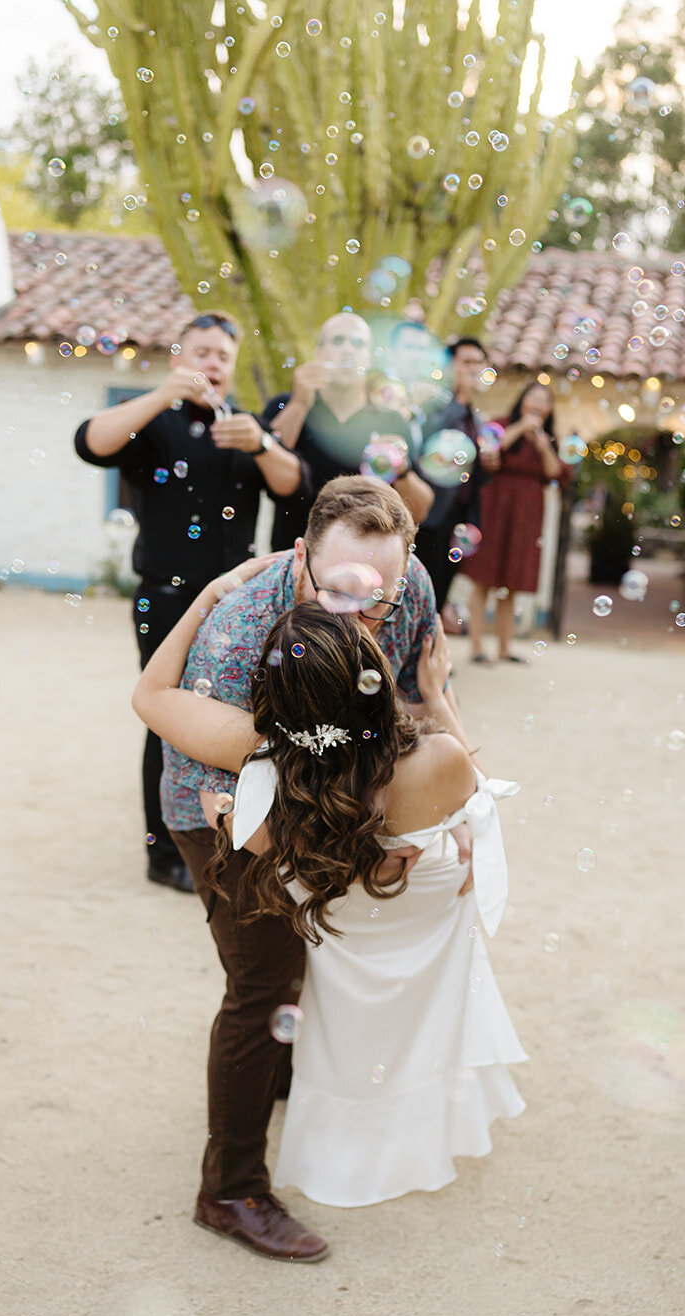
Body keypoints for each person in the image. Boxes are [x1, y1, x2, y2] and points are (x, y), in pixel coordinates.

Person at [140, 476, 477, 1261]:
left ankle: (280, 1078)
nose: (362, 615)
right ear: (300, 558)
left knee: (305, 968)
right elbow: (243, 798)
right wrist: (361, 842)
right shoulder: (236, 633)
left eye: (379, 597)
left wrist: (459, 808)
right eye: (340, 592)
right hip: (222, 804)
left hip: (328, 791)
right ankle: (229, 1190)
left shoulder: (409, 588)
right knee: (262, 982)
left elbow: (409, 699)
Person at [74, 311, 303, 892]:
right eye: (200, 352)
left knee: (238, 716)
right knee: (169, 721)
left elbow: (292, 485)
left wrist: (263, 442)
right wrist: (161, 393)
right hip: (167, 598)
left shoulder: (245, 428)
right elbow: (90, 443)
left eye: (222, 356)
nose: (212, 364)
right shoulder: (155, 423)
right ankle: (166, 853)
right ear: (180, 357)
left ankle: (233, 832)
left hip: (239, 605)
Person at [261, 313, 434, 551]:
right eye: (338, 341)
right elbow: (264, 468)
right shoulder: (286, 405)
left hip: (364, 561)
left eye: (358, 343)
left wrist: (400, 469)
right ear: (319, 354)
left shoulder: (392, 421)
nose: (348, 350)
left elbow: (420, 511)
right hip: (293, 556)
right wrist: (300, 404)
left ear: (369, 357)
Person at [463, 379, 570, 664]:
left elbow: (555, 473)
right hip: (495, 507)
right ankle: (476, 647)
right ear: (521, 400)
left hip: (526, 514)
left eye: (544, 400)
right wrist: (521, 427)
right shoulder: (501, 424)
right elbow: (490, 451)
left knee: (510, 583)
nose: (538, 404)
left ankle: (504, 648)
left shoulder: (549, 439)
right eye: (533, 396)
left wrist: (544, 446)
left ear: (549, 409)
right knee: (484, 580)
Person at [414, 337, 490, 618]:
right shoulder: (436, 408)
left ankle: (432, 655)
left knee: (443, 591)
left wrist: (488, 466)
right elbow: (430, 451)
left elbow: (473, 475)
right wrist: (460, 396)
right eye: (466, 362)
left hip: (459, 519)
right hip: (431, 517)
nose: (474, 369)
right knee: (424, 593)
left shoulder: (476, 418)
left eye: (479, 363)